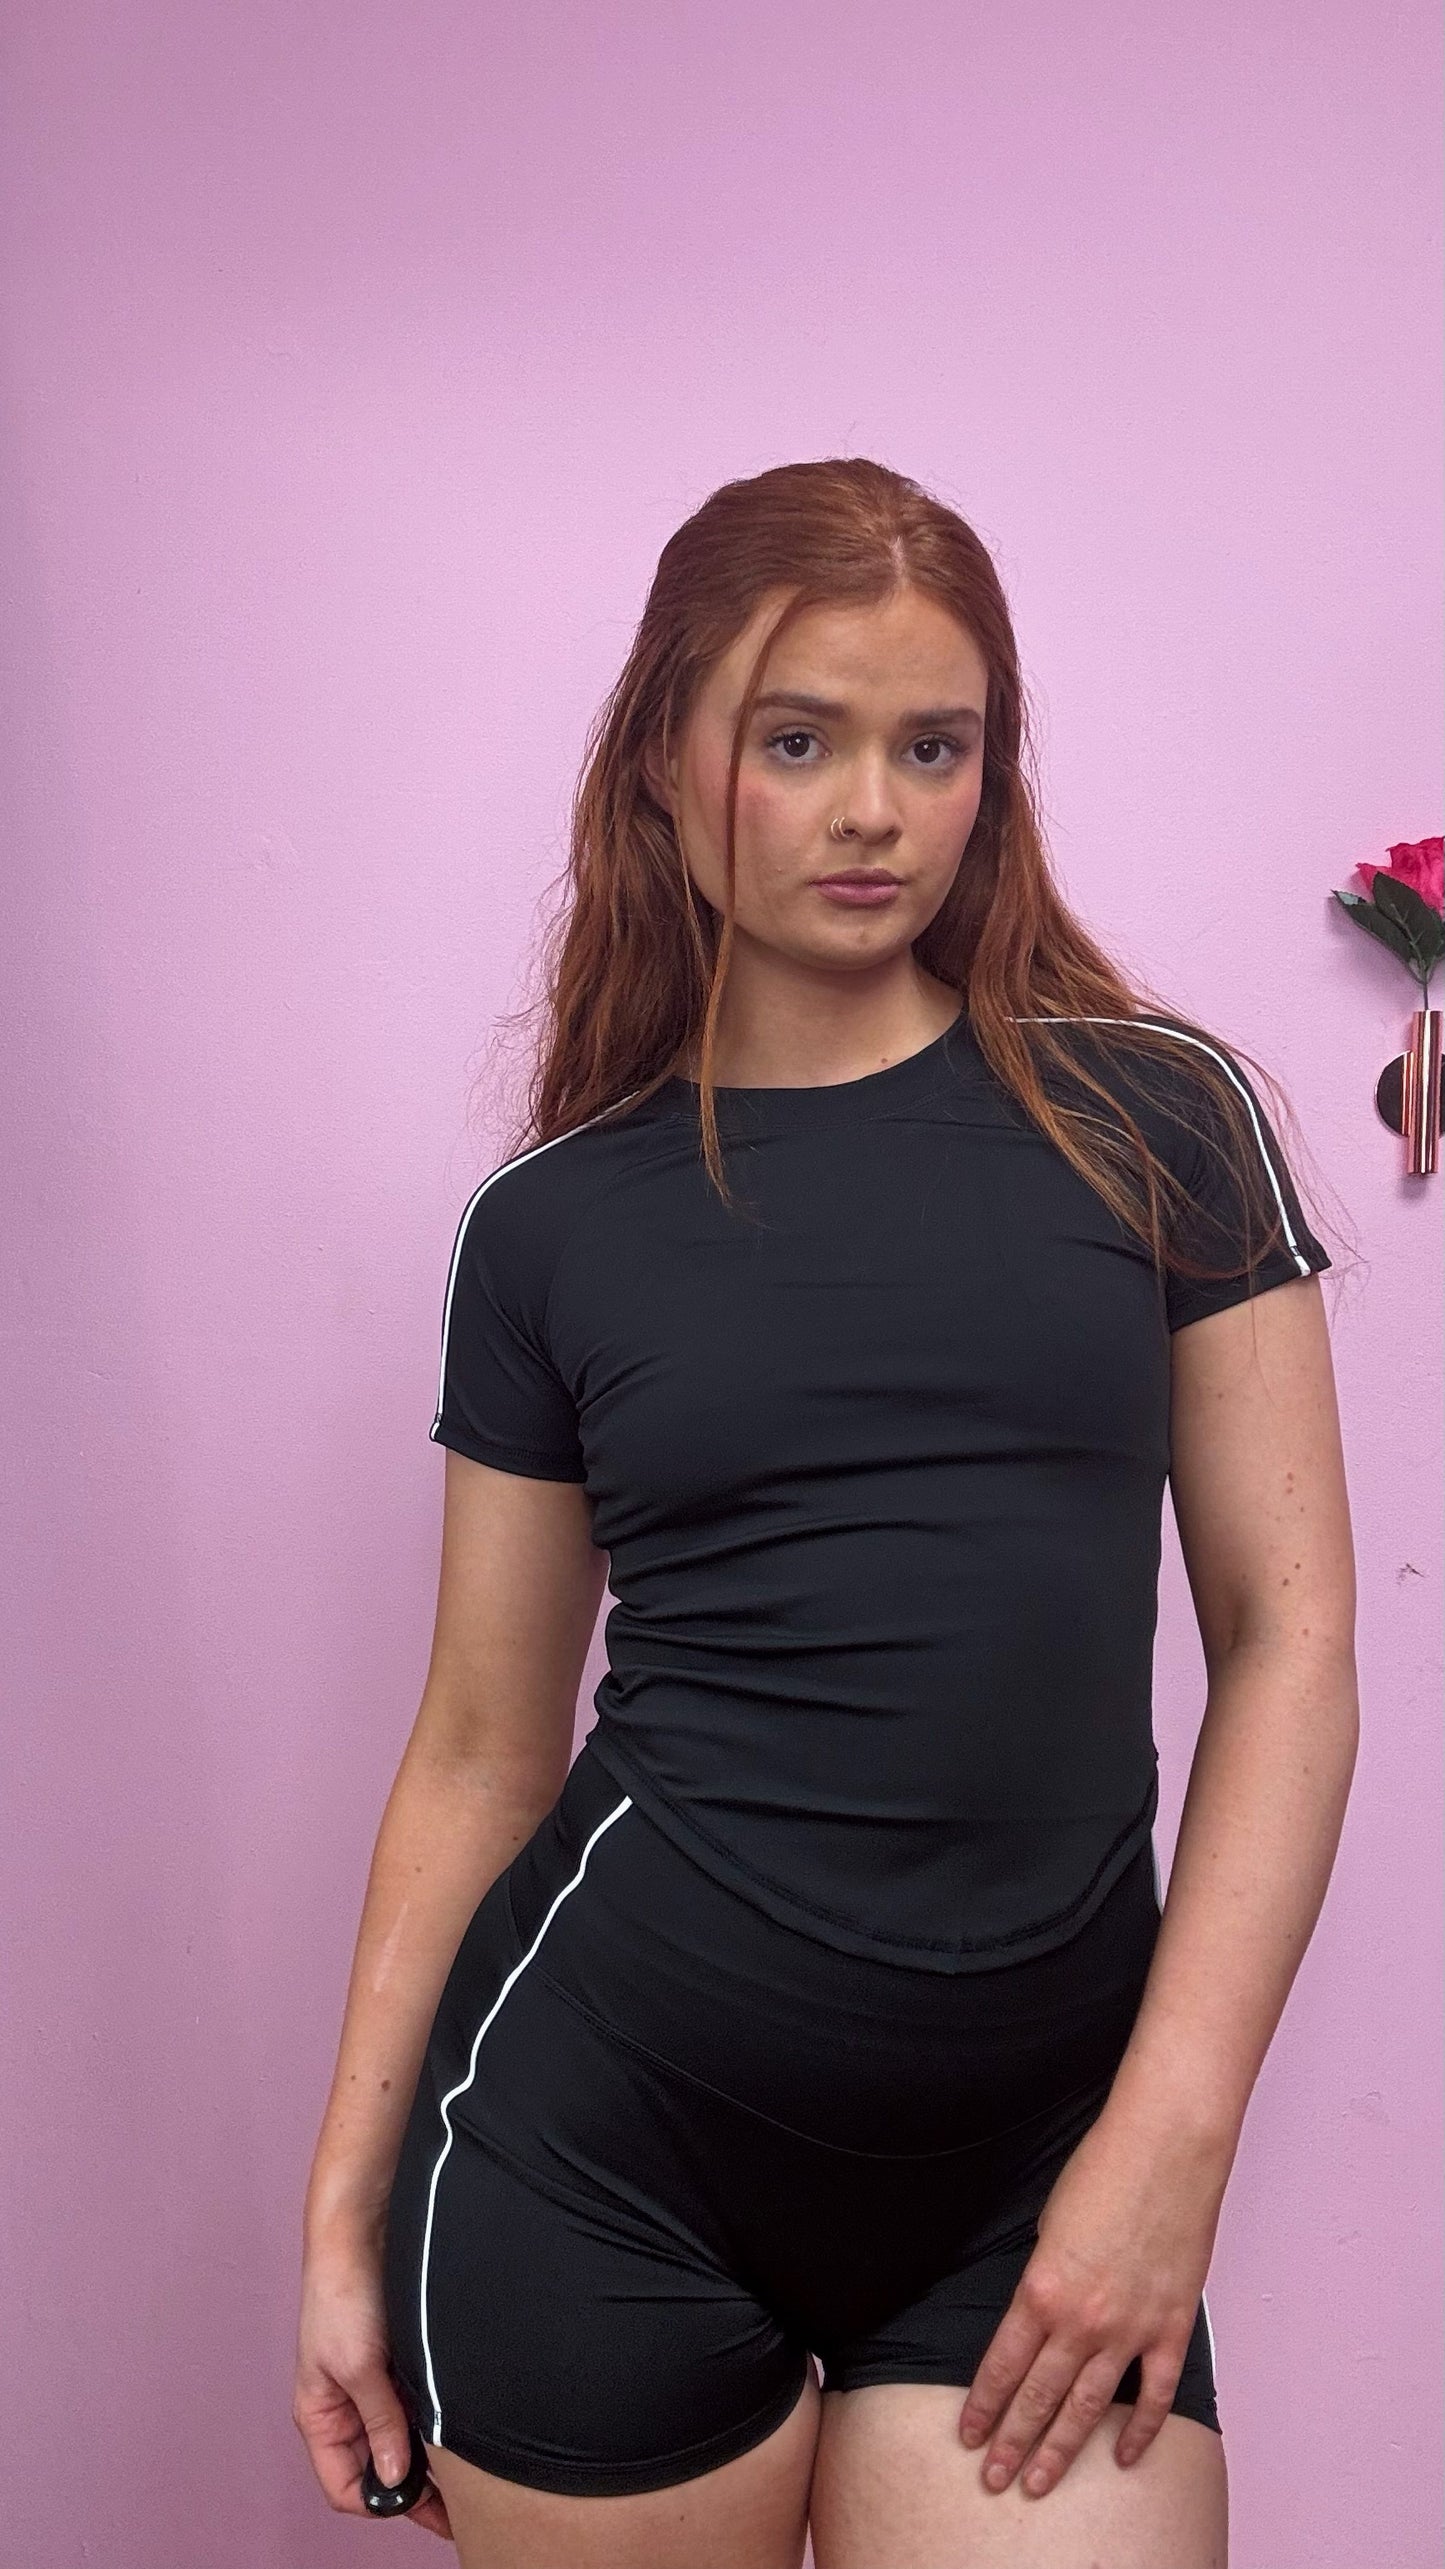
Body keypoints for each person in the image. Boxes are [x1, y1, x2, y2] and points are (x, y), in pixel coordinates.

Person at [294, 457, 1357, 2569]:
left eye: (931, 746)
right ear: (668, 760)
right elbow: (486, 1746)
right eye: (798, 741)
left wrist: (1171, 2144)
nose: (872, 810)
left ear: (989, 774)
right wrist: (340, 2218)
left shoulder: (1162, 1117)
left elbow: (1291, 1641)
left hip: (1036, 2166)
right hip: (599, 2148)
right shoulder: (551, 1227)